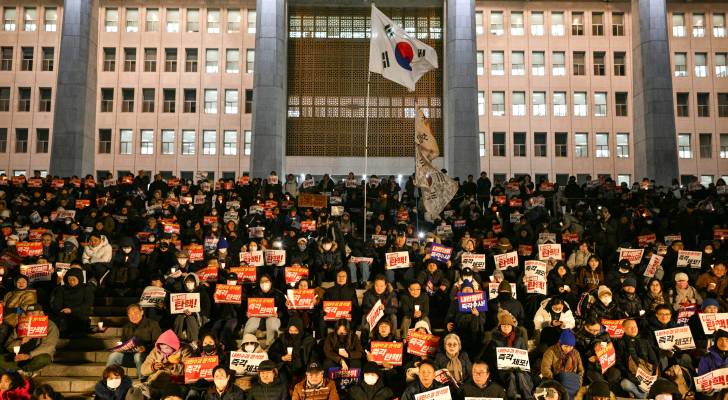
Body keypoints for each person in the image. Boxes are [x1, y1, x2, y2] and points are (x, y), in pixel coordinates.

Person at [0, 304, 59, 376]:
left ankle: (26, 372)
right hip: (18, 357)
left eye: (34, 313)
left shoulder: (50, 326)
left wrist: (29, 355)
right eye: (28, 314)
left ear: (41, 313)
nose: (31, 316)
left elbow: (49, 346)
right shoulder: (21, 325)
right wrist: (20, 341)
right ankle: (20, 372)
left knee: (45, 358)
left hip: (34, 357)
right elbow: (8, 345)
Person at [106, 303, 161, 380]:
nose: (133, 316)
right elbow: (124, 343)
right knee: (113, 356)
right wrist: (120, 347)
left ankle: (143, 379)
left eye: (136, 313)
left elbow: (158, 343)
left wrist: (145, 348)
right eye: (130, 314)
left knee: (138, 356)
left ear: (142, 312)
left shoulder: (152, 324)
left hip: (147, 357)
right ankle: (107, 379)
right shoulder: (126, 327)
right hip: (130, 356)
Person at [49, 268, 93, 337]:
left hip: (80, 313)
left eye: (74, 279)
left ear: (79, 279)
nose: (71, 282)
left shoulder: (86, 288)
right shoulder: (62, 289)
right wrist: (60, 310)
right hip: (64, 314)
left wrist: (72, 310)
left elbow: (87, 304)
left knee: (80, 319)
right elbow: (57, 303)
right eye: (69, 279)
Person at [540, 329, 583, 398]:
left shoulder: (576, 353)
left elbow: (581, 370)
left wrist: (579, 382)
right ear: (560, 343)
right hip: (554, 379)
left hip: (571, 381)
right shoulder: (551, 351)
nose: (568, 349)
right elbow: (545, 369)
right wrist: (555, 383)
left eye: (571, 346)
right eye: (566, 346)